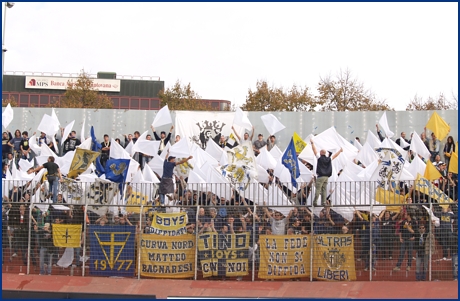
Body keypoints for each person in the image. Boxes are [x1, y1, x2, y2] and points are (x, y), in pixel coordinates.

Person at [310, 139, 342, 206]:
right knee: (324, 189)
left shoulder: (319, 157)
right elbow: (335, 155)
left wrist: (312, 143)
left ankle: (315, 201)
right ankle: (323, 202)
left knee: (318, 189)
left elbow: (314, 150)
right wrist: (340, 151)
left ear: (321, 153)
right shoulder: (329, 159)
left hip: (320, 176)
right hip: (326, 177)